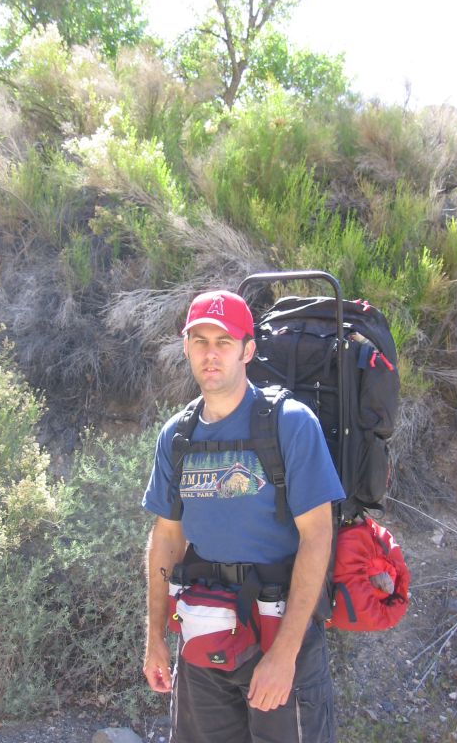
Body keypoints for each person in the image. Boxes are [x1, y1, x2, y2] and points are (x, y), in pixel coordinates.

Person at [142, 289, 345, 743]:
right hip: (204, 634)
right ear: (187, 348)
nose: (210, 354)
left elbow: (317, 538)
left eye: (224, 342)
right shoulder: (178, 435)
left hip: (276, 632)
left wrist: (285, 656)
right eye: (200, 341)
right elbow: (167, 540)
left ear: (247, 350)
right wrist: (156, 638)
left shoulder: (291, 424)